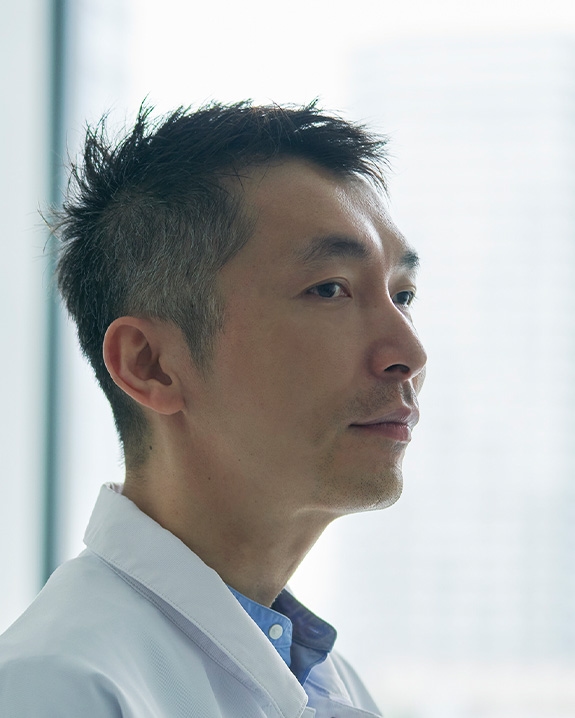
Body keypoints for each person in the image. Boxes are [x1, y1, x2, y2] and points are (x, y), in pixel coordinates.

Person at [0, 101, 426, 717]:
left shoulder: (326, 682)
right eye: (330, 289)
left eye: (403, 295)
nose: (409, 354)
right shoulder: (56, 688)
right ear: (150, 364)